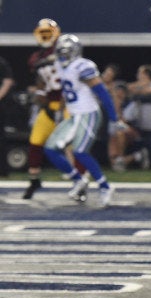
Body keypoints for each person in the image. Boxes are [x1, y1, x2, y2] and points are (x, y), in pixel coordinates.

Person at [43, 34, 125, 207]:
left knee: (79, 151)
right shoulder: (60, 65)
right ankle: (79, 180)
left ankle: (105, 187)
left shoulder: (83, 66)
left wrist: (113, 117)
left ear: (75, 52)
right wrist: (60, 110)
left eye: (67, 52)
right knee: (50, 148)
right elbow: (66, 90)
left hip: (89, 114)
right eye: (61, 52)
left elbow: (102, 92)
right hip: (74, 115)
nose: (63, 55)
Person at [23, 18, 88, 199]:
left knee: (72, 146)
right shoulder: (36, 57)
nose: (45, 37)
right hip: (49, 105)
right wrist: (40, 94)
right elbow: (42, 81)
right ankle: (34, 179)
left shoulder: (63, 52)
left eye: (48, 33)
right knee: (36, 140)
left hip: (67, 103)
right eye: (42, 33)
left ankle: (80, 181)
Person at [0, 55, 15, 177]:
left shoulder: (2, 62)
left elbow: (7, 82)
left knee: (1, 138)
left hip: (1, 105)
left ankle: (2, 169)